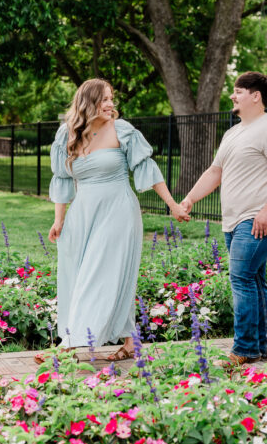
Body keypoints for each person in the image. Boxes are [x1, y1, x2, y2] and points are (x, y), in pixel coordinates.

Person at [35, 78, 189, 363]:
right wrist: (59, 220)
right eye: (105, 99)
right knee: (79, 275)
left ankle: (69, 345)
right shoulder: (65, 135)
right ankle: (130, 343)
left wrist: (172, 205)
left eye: (111, 98)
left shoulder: (122, 131)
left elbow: (147, 169)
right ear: (88, 102)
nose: (111, 104)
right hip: (82, 214)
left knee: (99, 273)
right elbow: (61, 180)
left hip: (118, 211)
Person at [181, 71, 267, 366]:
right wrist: (191, 198)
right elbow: (215, 172)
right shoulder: (233, 133)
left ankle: (243, 349)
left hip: (254, 219)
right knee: (254, 280)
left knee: (241, 278)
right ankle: (261, 347)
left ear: (255, 95)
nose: (233, 95)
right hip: (231, 221)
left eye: (238, 90)